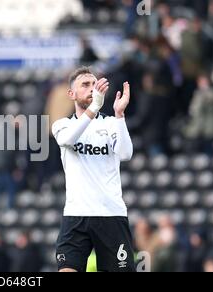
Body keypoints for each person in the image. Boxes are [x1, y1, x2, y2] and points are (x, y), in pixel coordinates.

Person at [52, 67, 135, 272]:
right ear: (71, 94)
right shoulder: (62, 125)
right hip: (76, 215)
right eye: (85, 85)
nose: (92, 89)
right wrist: (94, 108)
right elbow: (67, 139)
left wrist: (119, 114)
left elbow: (125, 154)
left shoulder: (109, 123)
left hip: (111, 214)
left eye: (94, 84)